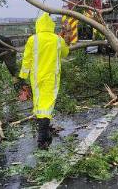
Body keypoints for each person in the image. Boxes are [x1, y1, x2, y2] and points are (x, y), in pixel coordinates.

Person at [19, 13, 72, 150]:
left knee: (39, 103)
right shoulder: (57, 40)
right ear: (51, 25)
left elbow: (27, 59)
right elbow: (65, 53)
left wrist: (22, 77)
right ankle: (42, 137)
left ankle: (44, 131)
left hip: (36, 78)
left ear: (38, 25)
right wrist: (66, 39)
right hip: (51, 78)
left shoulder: (33, 39)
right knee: (46, 105)